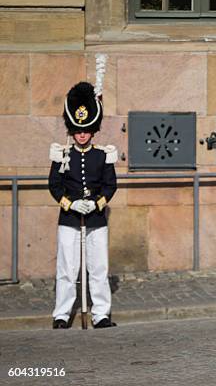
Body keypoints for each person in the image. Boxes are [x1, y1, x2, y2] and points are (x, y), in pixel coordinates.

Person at [48, 81, 117, 329]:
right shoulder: (62, 154)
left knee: (98, 268)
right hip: (69, 219)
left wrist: (97, 204)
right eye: (78, 130)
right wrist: (71, 204)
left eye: (86, 129)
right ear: (72, 129)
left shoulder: (103, 154)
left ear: (93, 130)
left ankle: (101, 314)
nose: (82, 134)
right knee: (67, 268)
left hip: (96, 219)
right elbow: (54, 185)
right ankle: (62, 314)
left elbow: (110, 186)